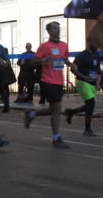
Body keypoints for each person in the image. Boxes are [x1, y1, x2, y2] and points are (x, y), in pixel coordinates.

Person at [24, 21, 77, 149]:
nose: (57, 30)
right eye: (54, 28)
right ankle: (56, 138)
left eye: (58, 28)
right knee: (57, 108)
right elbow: (33, 62)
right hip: (48, 80)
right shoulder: (44, 46)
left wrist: (72, 65)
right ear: (48, 31)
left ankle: (31, 114)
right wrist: (44, 59)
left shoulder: (64, 45)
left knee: (54, 109)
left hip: (59, 81)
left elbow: (65, 60)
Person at [65, 38, 102, 136]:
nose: (97, 44)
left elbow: (98, 70)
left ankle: (71, 112)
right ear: (89, 43)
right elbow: (73, 69)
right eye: (95, 42)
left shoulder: (97, 55)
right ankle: (87, 129)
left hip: (92, 83)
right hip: (82, 82)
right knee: (91, 103)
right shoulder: (82, 55)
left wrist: (98, 81)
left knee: (90, 105)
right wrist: (83, 77)